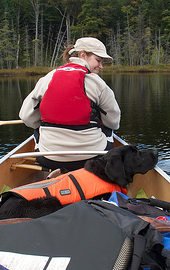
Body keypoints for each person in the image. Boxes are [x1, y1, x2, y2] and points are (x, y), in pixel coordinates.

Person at [19, 37, 121, 171]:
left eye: (102, 62)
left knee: (37, 127)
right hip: (91, 158)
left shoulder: (47, 78)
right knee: (108, 127)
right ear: (83, 55)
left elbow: (26, 117)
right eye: (98, 60)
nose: (101, 66)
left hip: (49, 159)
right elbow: (114, 122)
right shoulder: (98, 83)